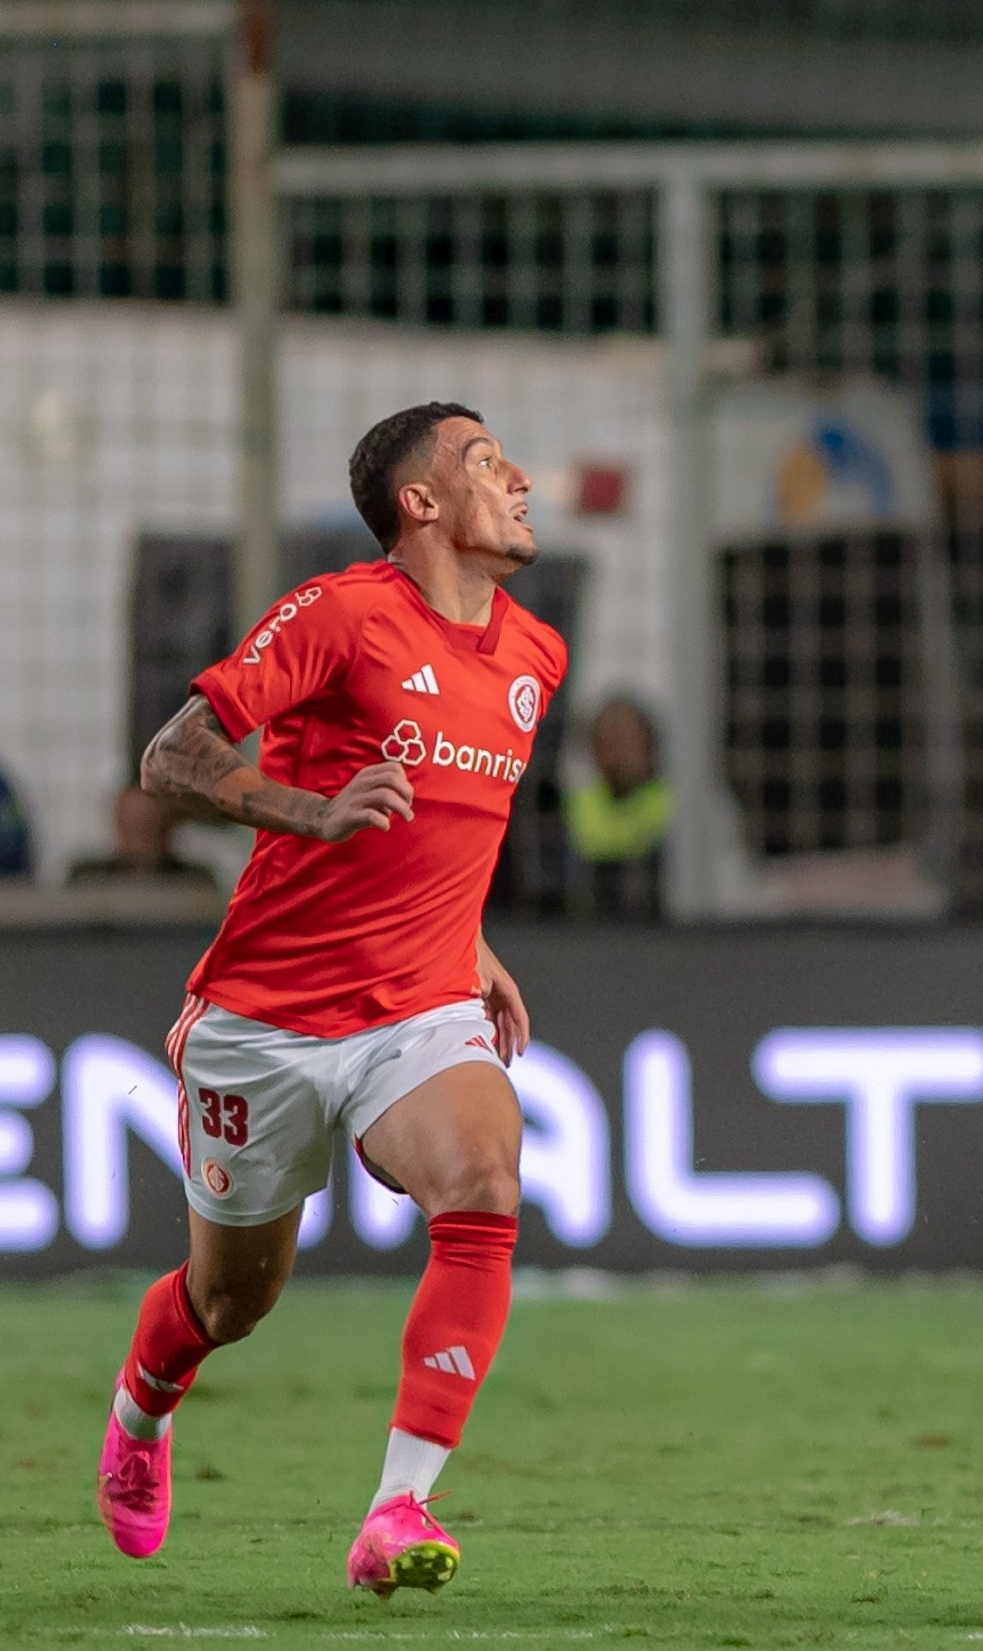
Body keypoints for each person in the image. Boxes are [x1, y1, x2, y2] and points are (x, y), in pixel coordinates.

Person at [96, 401, 564, 1596]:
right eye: (482, 460)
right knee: (230, 1298)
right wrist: (311, 808)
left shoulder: (535, 656)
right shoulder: (342, 614)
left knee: (486, 1179)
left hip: (417, 1007)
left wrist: (472, 939)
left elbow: (446, 828)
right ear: (419, 504)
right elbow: (173, 756)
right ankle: (144, 1410)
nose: (515, 474)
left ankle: (398, 1506)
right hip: (263, 1019)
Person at [563, 696, 674, 919]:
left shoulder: (666, 799)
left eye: (626, 743)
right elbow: (593, 840)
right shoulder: (581, 800)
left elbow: (639, 840)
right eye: (608, 744)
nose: (617, 756)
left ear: (648, 746)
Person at [66, 786, 221, 892]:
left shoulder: (196, 881)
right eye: (131, 825)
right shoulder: (87, 878)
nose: (139, 839)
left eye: (147, 826)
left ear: (168, 828)